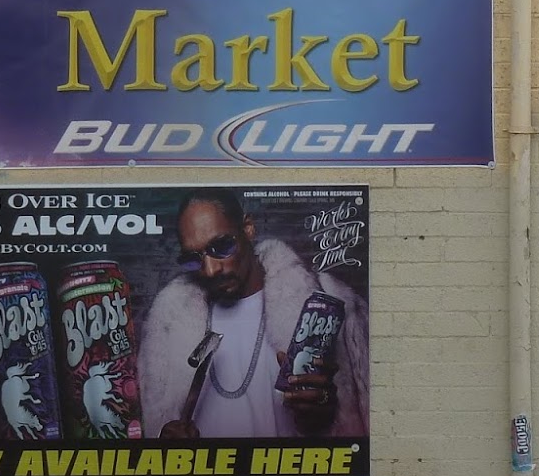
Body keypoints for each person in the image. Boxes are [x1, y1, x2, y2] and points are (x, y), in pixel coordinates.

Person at [139, 189, 368, 440]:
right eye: (193, 259)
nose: (211, 270)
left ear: (248, 228)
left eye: (221, 246)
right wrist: (165, 443)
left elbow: (358, 422)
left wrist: (320, 414)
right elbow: (152, 424)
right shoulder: (167, 326)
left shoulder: (325, 304)